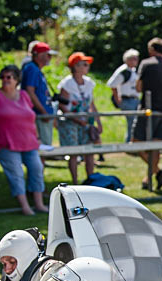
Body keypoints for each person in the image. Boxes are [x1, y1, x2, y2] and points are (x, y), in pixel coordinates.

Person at [0, 65, 47, 216]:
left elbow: (31, 118)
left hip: (29, 142)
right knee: (16, 173)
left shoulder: (25, 95)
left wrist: (37, 136)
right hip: (5, 143)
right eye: (3, 77)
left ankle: (39, 203)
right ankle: (25, 206)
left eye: (9, 77)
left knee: (37, 169)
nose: (6, 80)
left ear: (16, 80)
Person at [133, 37, 162, 190]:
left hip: (149, 110)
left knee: (136, 143)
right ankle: (150, 177)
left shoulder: (146, 63)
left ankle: (157, 172)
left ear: (152, 50)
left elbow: (139, 87)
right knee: (155, 147)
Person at [57, 52, 102, 184]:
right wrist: (76, 119)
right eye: (84, 64)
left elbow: (91, 104)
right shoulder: (67, 83)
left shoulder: (89, 83)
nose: (87, 67)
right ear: (75, 67)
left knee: (89, 150)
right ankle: (75, 181)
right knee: (74, 152)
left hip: (85, 121)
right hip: (70, 122)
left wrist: (98, 121)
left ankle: (90, 180)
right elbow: (62, 105)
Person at [0, 230, 64, 281]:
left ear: (26, 257)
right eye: (4, 264)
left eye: (12, 262)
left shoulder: (51, 271)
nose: (7, 270)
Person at [21, 42, 56, 148]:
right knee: (42, 148)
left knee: (44, 148)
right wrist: (43, 111)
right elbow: (30, 91)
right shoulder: (32, 68)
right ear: (39, 55)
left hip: (41, 115)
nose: (50, 58)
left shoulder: (35, 69)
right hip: (39, 115)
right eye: (47, 55)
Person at [107, 48, 140, 143]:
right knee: (132, 122)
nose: (136, 61)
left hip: (135, 99)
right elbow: (112, 85)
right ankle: (129, 143)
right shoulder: (123, 71)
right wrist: (118, 100)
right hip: (127, 100)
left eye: (136, 58)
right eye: (133, 58)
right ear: (128, 59)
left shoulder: (133, 71)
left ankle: (132, 142)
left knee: (135, 122)